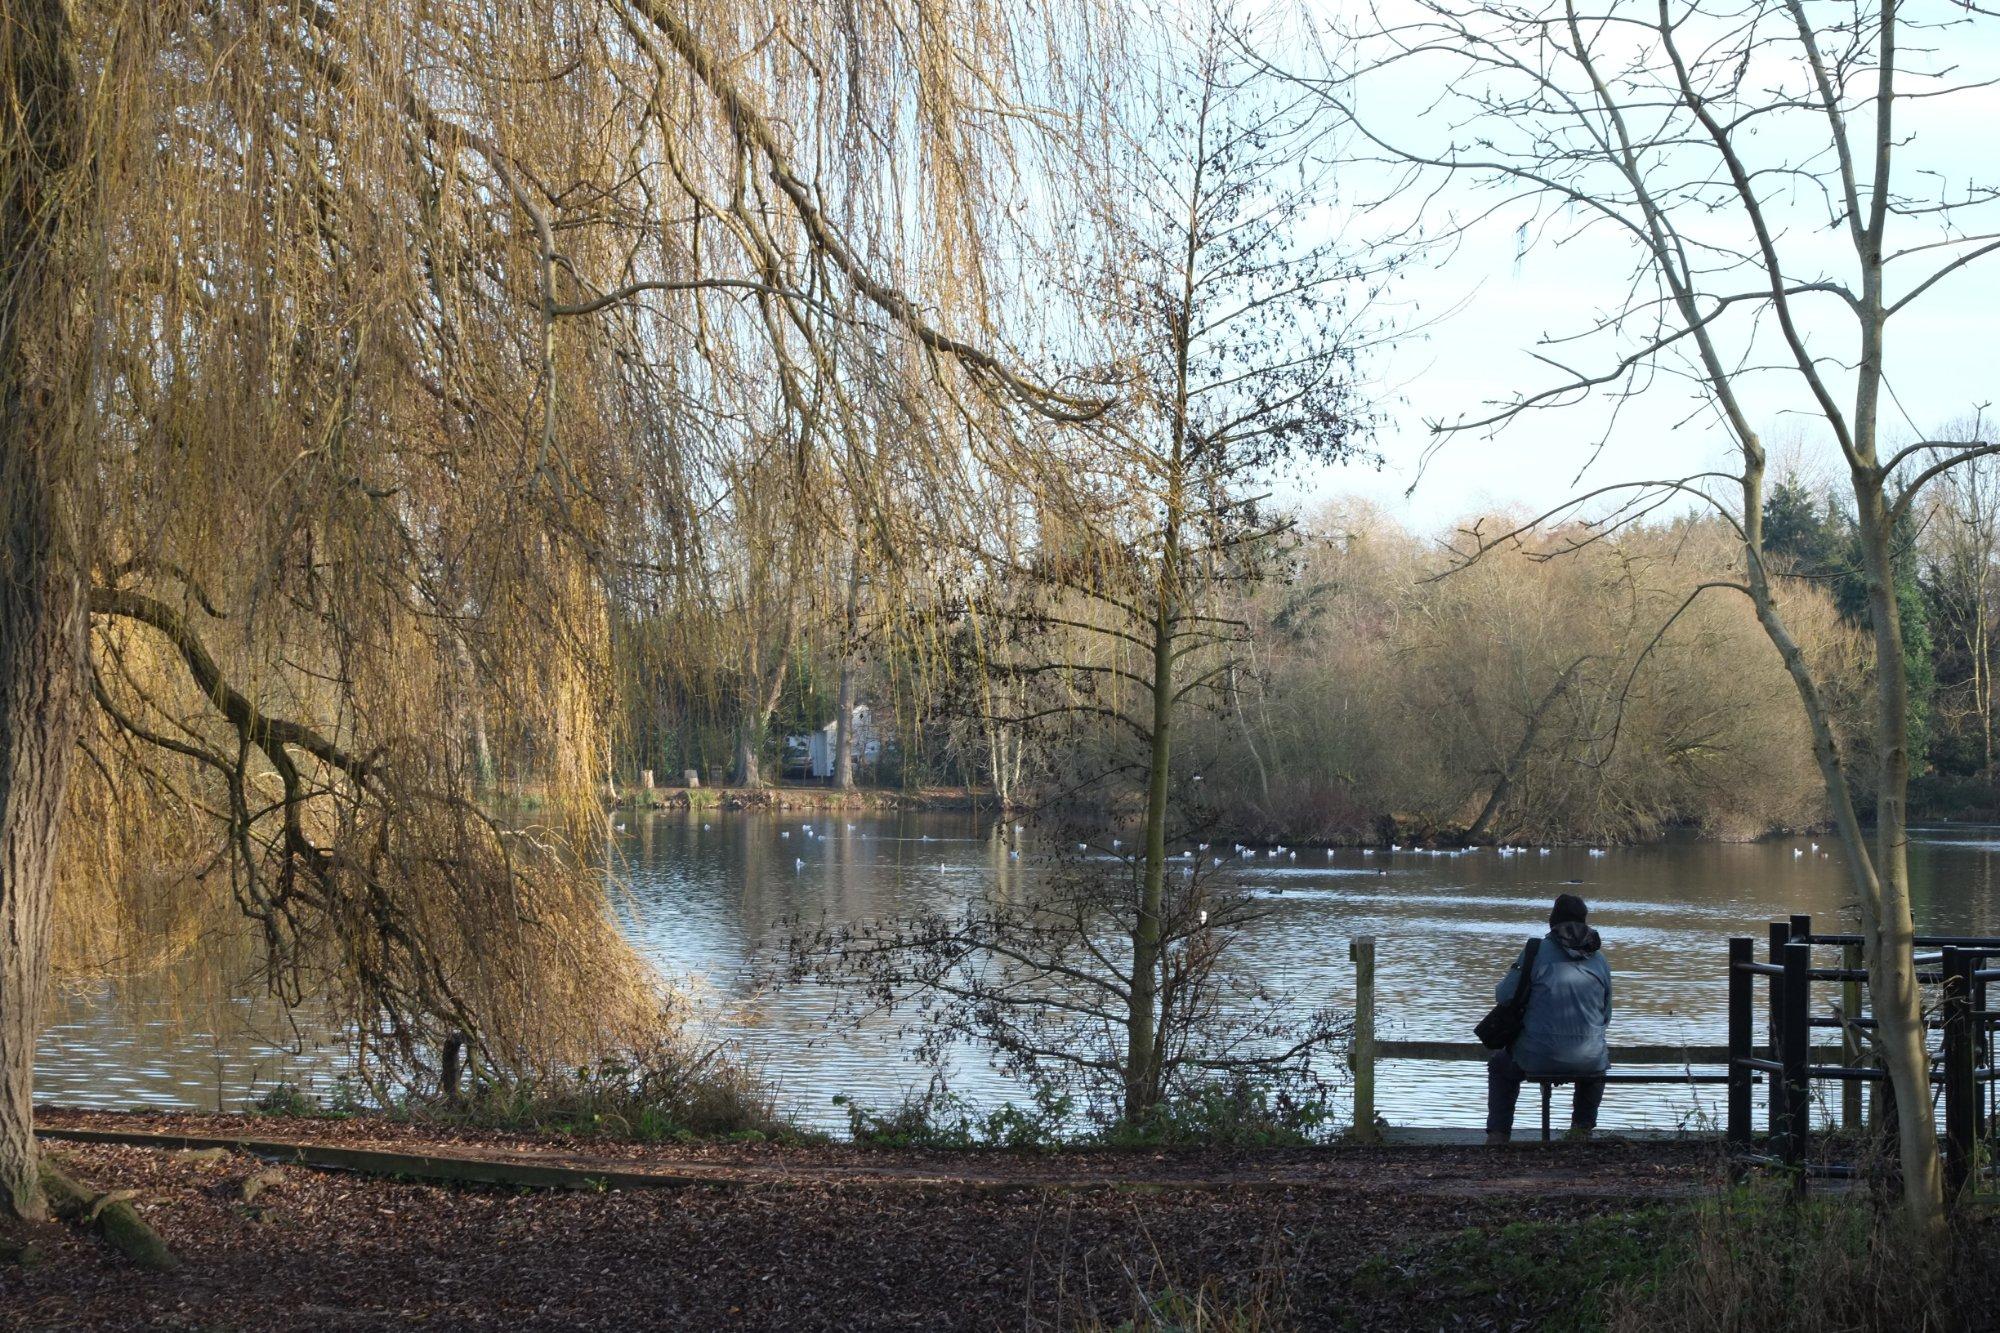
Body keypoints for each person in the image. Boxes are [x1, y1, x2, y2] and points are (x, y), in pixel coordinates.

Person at [1487, 892, 1612, 1144]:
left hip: (1537, 1054)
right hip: (1586, 1055)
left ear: (1552, 921)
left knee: (1500, 1066)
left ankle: (1498, 1137)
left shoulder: (1536, 951)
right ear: (1585, 922)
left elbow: (1504, 995)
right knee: (1596, 1064)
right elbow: (1605, 1015)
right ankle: (1580, 1132)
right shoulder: (1600, 960)